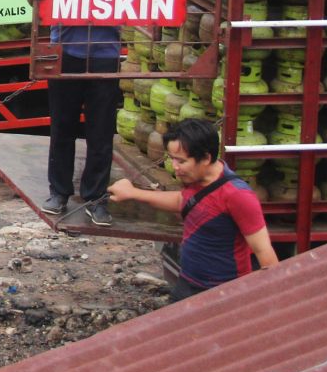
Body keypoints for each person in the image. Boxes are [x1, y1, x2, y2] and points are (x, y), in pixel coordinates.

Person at [25, 0, 218, 226]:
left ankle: (97, 198)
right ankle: (58, 193)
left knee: (100, 134)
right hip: (65, 55)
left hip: (105, 57)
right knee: (62, 130)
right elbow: (40, 1)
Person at [108, 118, 278, 301]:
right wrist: (133, 193)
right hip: (188, 283)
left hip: (223, 293)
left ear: (206, 158)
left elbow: (265, 253)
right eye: (172, 158)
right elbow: (183, 200)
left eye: (181, 161)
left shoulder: (238, 196)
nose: (175, 167)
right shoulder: (196, 179)